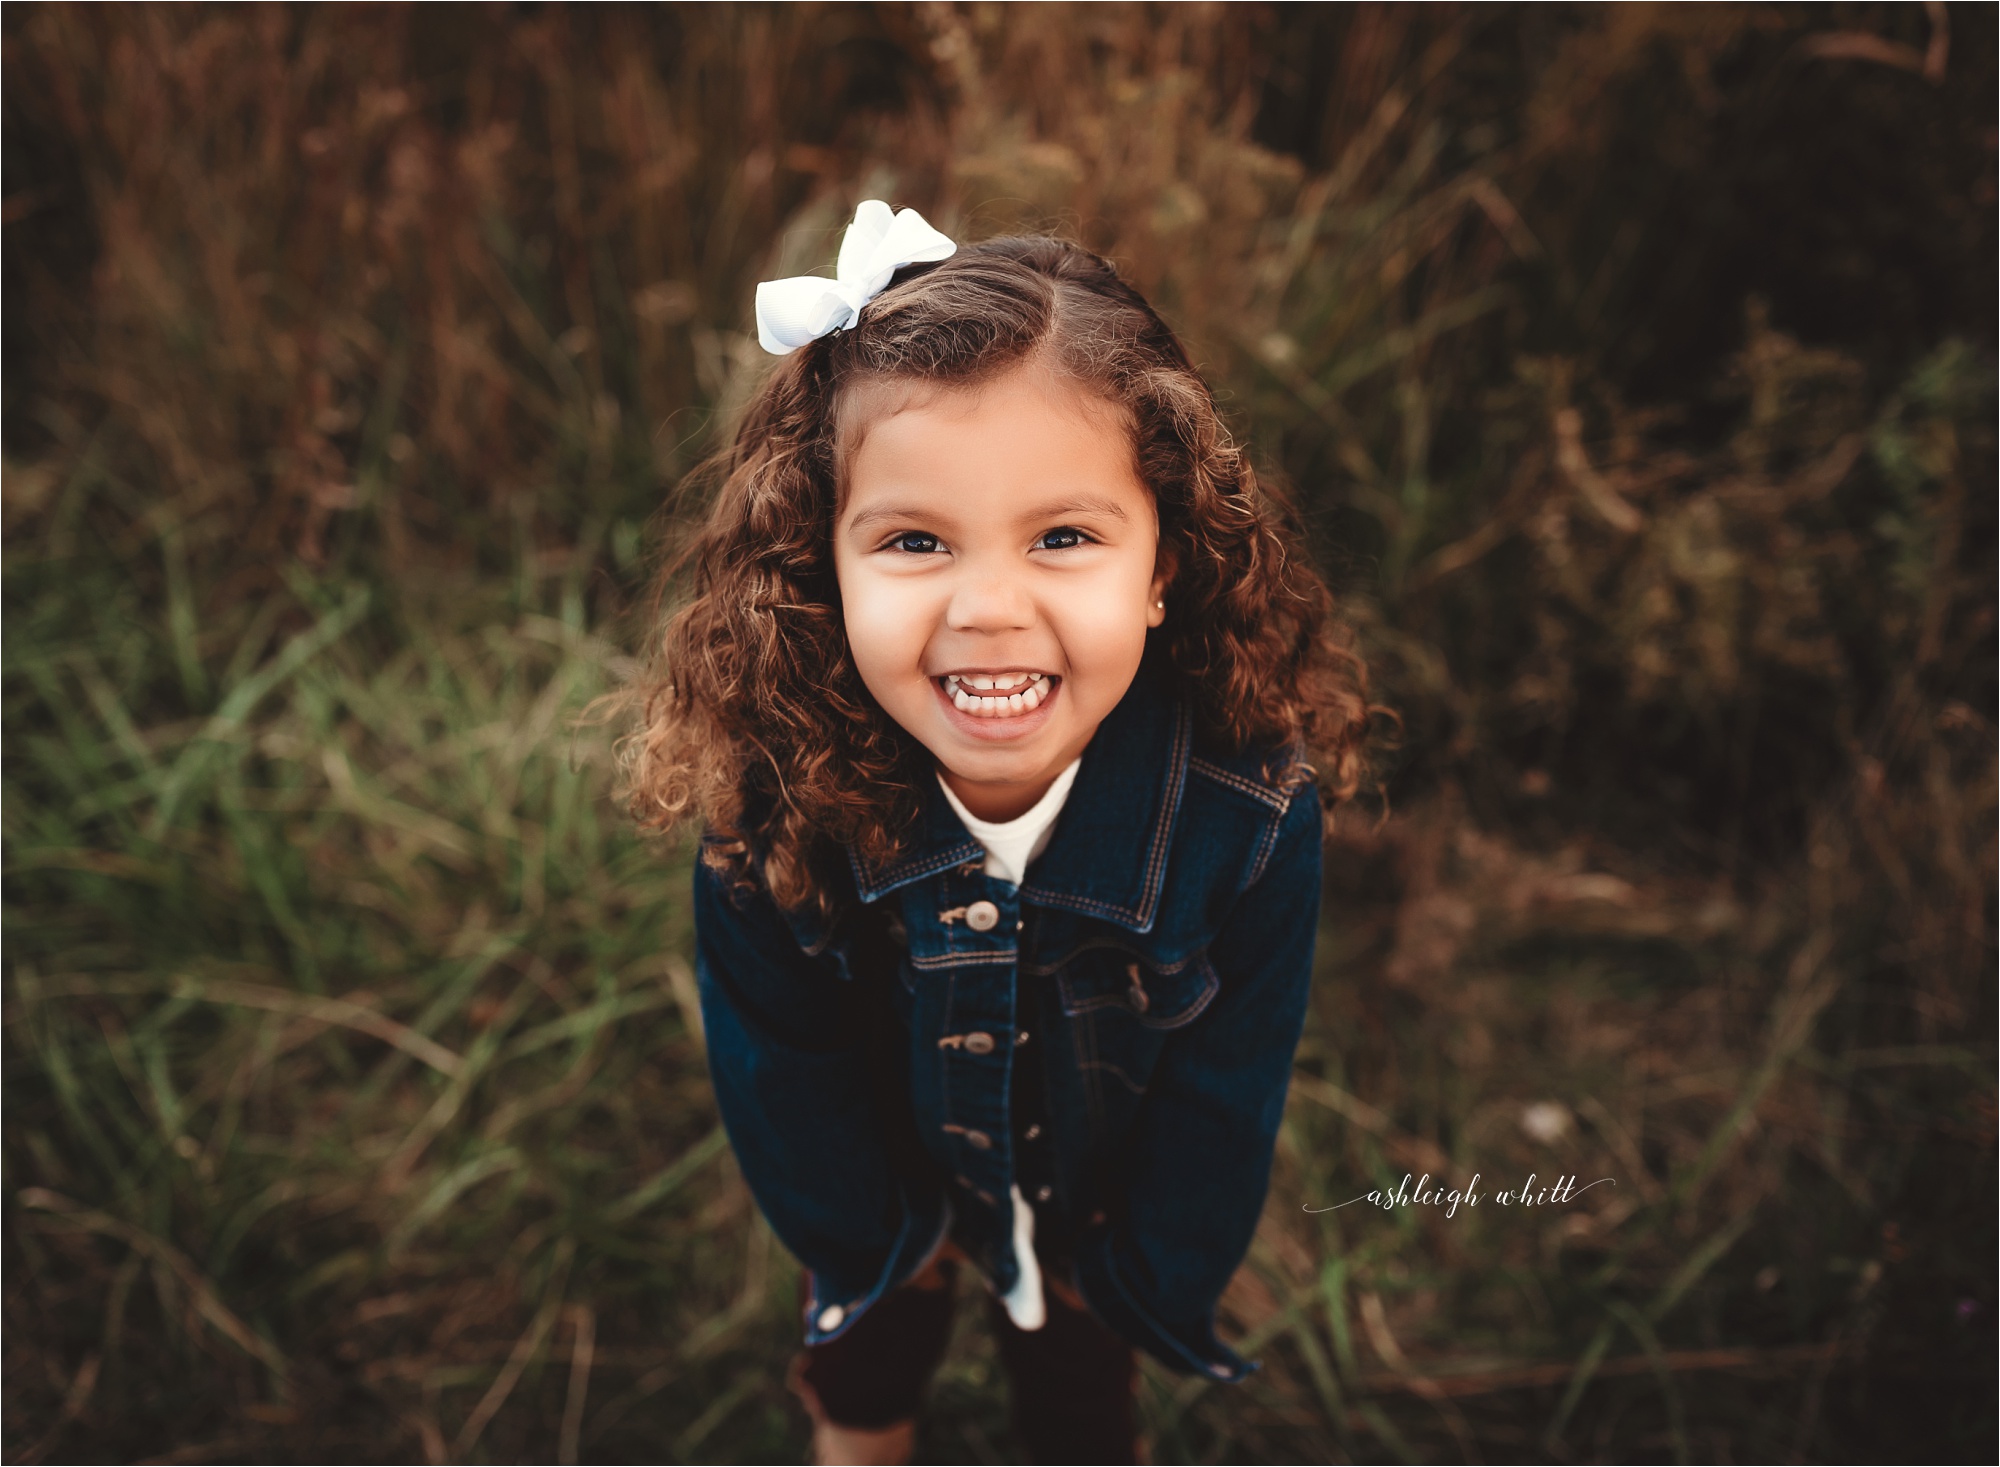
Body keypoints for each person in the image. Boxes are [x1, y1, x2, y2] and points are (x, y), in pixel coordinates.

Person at [623, 200, 1373, 1465]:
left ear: (1161, 563)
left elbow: (1229, 1085)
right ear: (825, 560)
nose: (985, 609)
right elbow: (780, 1068)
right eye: (914, 541)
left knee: (1082, 1411)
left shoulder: (1245, 817)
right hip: (879, 1198)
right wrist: (875, 1246)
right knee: (861, 1384)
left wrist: (1138, 1271)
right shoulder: (777, 807)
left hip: (1100, 1215)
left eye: (1063, 538)